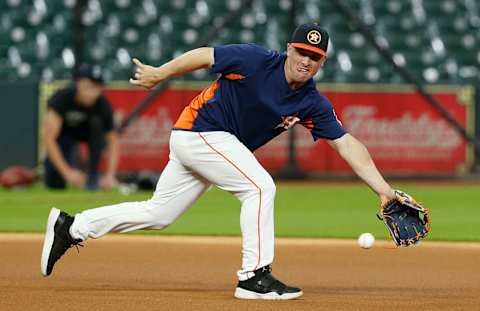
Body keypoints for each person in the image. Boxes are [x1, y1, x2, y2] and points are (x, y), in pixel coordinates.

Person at [40, 23, 395, 300]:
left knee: (159, 214)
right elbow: (206, 55)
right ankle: (253, 276)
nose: (306, 60)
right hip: (201, 132)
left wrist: (384, 190)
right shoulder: (256, 60)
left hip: (205, 143)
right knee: (259, 187)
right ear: (289, 49)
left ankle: (71, 227)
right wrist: (161, 73)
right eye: (301, 51)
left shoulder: (312, 102)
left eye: (314, 56)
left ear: (322, 62)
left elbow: (347, 145)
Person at [42, 64, 119, 191]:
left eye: (97, 87)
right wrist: (67, 173)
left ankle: (93, 176)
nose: (93, 92)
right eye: (89, 86)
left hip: (90, 135)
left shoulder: (103, 105)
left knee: (97, 125)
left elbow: (113, 141)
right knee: (54, 183)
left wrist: (110, 175)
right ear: (78, 83)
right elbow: (49, 138)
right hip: (63, 136)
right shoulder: (62, 98)